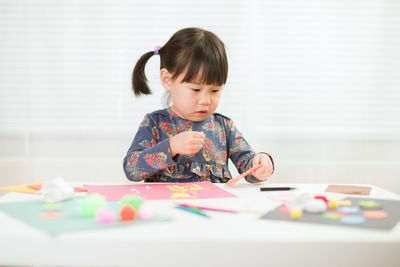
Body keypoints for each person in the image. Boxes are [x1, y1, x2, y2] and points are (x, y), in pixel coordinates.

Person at [123, 27, 274, 183]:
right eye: (196, 89)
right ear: (168, 80)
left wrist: (261, 165)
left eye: (215, 90)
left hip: (214, 206)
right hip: (167, 207)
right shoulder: (155, 123)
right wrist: (171, 147)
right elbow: (131, 169)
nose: (205, 100)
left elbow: (248, 167)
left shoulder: (224, 127)